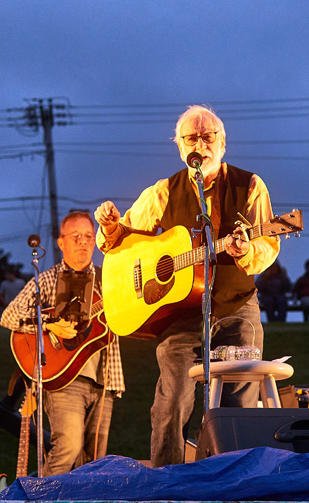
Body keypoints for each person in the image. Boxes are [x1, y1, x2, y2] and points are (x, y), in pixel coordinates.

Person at [95, 105, 280, 467]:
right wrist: (111, 227)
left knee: (239, 394)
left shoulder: (251, 186)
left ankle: (232, 475)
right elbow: (121, 242)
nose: (201, 144)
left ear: (223, 143)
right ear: (180, 146)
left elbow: (268, 245)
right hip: (179, 314)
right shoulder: (162, 192)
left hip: (235, 305)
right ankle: (167, 480)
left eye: (208, 136)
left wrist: (246, 250)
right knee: (172, 398)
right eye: (191, 138)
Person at [1, 210, 124, 475]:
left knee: (93, 465)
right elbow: (9, 316)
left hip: (105, 379)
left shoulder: (110, 281)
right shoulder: (47, 280)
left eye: (88, 236)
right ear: (61, 242)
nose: (82, 241)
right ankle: (41, 496)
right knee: (68, 447)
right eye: (76, 236)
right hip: (63, 378)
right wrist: (48, 324)